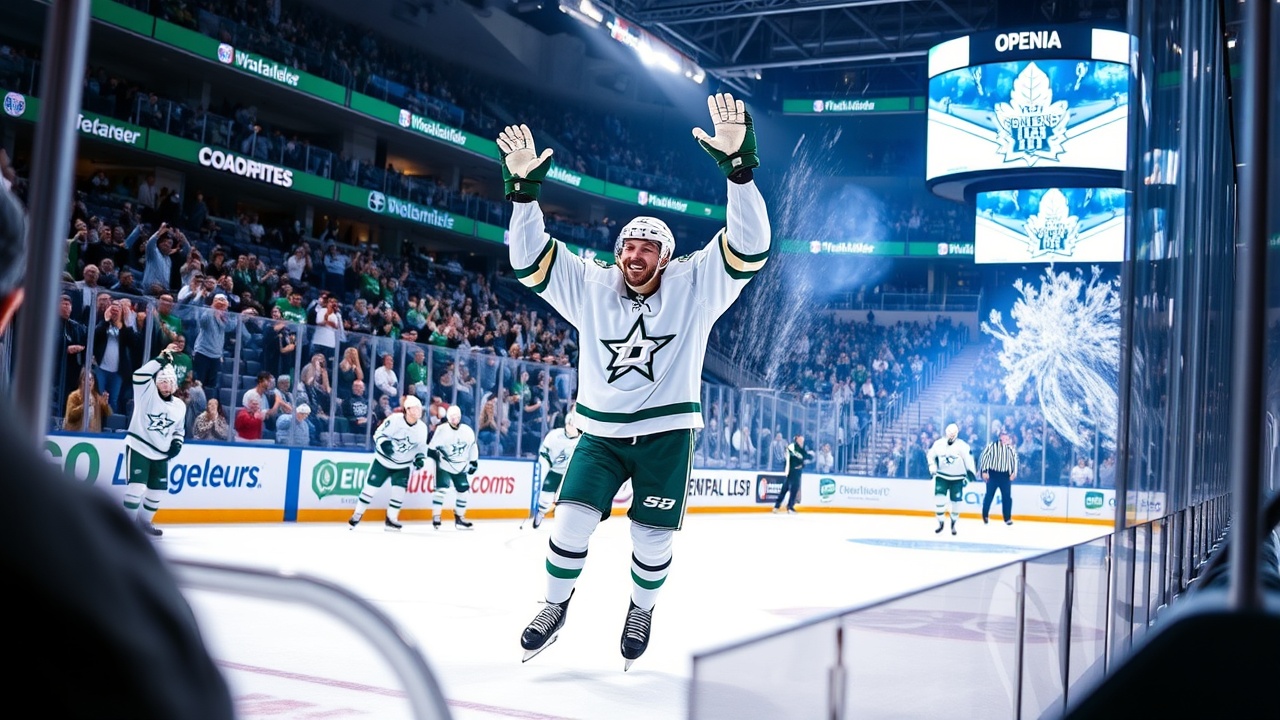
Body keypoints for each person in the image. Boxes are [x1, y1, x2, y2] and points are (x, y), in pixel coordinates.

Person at [500, 92, 770, 668]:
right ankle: (554, 606)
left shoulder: (695, 286)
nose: (636, 254)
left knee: (651, 538)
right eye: (629, 245)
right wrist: (524, 196)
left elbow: (751, 248)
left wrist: (739, 173)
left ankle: (640, 609)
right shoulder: (591, 285)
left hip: (666, 435)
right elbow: (528, 261)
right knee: (569, 523)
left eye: (649, 247)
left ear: (666, 257)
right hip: (599, 433)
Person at [0, 177, 234, 718]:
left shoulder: (178, 404)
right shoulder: (66, 541)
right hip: (137, 449)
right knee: (134, 493)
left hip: (156, 450)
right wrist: (165, 360)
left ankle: (148, 515)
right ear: (13, 306)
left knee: (151, 491)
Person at [122, 344, 188, 537]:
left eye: (169, 382)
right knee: (137, 487)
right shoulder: (146, 393)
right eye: (162, 381)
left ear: (175, 384)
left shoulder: (179, 406)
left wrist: (177, 443)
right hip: (139, 445)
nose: (166, 385)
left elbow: (179, 429)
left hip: (161, 453)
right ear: (156, 382)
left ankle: (144, 523)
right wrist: (160, 360)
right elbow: (139, 375)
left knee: (157, 491)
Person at [347, 396, 430, 531]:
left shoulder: (422, 428)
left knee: (399, 493)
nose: (418, 411)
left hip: (403, 465)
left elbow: (421, 447)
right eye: (415, 408)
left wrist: (420, 458)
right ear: (407, 410)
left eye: (419, 408)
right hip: (383, 461)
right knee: (370, 489)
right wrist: (384, 444)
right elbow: (379, 433)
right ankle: (357, 514)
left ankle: (391, 519)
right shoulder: (395, 420)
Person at [427, 404, 480, 530]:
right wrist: (436, 458)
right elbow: (431, 448)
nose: (454, 419)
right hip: (443, 465)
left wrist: (473, 462)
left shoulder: (467, 431)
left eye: (456, 416)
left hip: (460, 466)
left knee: (463, 490)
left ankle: (460, 517)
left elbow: (473, 446)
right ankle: (436, 516)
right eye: (452, 416)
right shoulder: (442, 430)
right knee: (441, 490)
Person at [532, 411, 582, 529]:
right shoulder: (554, 435)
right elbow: (544, 454)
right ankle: (541, 513)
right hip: (555, 471)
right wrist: (545, 467)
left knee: (573, 497)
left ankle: (569, 520)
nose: (572, 427)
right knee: (546, 496)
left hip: (570, 473)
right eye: (570, 424)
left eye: (574, 425)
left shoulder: (581, 441)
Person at [928, 423, 977, 536]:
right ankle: (940, 523)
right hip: (941, 477)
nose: (951, 435)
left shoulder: (963, 446)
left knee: (956, 503)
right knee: (939, 500)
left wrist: (969, 476)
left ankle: (953, 524)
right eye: (950, 433)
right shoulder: (938, 444)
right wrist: (932, 466)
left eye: (953, 433)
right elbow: (930, 456)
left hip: (958, 478)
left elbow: (970, 462)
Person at [980, 430, 1019, 525]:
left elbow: (1015, 460)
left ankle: (1007, 518)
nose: (1006, 439)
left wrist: (1014, 472)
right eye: (1004, 437)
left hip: (1005, 476)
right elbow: (985, 458)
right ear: (1000, 437)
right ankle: (985, 515)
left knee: (1007, 497)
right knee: (989, 495)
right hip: (993, 474)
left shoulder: (1011, 448)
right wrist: (984, 471)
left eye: (1007, 438)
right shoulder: (991, 446)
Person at [774, 434, 814, 514]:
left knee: (792, 489)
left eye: (802, 440)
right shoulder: (792, 447)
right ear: (797, 439)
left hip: (796, 472)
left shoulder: (801, 449)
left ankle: (786, 506)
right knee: (787, 488)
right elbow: (795, 458)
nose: (802, 441)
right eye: (800, 440)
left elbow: (806, 457)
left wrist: (804, 462)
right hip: (791, 471)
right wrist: (802, 461)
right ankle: (782, 506)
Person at [63, 368, 112, 432]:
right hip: (75, 434)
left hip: (93, 434)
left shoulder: (96, 397)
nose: (89, 382)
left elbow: (109, 414)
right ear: (80, 382)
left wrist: (105, 404)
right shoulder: (73, 396)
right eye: (85, 380)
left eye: (91, 380)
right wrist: (83, 407)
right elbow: (70, 417)